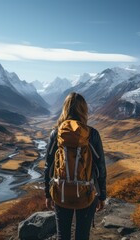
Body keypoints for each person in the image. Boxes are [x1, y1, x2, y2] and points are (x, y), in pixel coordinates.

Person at [44, 92, 107, 240]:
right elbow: (100, 167)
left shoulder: (56, 133)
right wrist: (102, 195)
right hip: (86, 193)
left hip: (61, 192)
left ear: (65, 108)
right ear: (84, 110)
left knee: (63, 235)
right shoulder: (92, 134)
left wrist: (48, 193)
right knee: (82, 236)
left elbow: (48, 165)